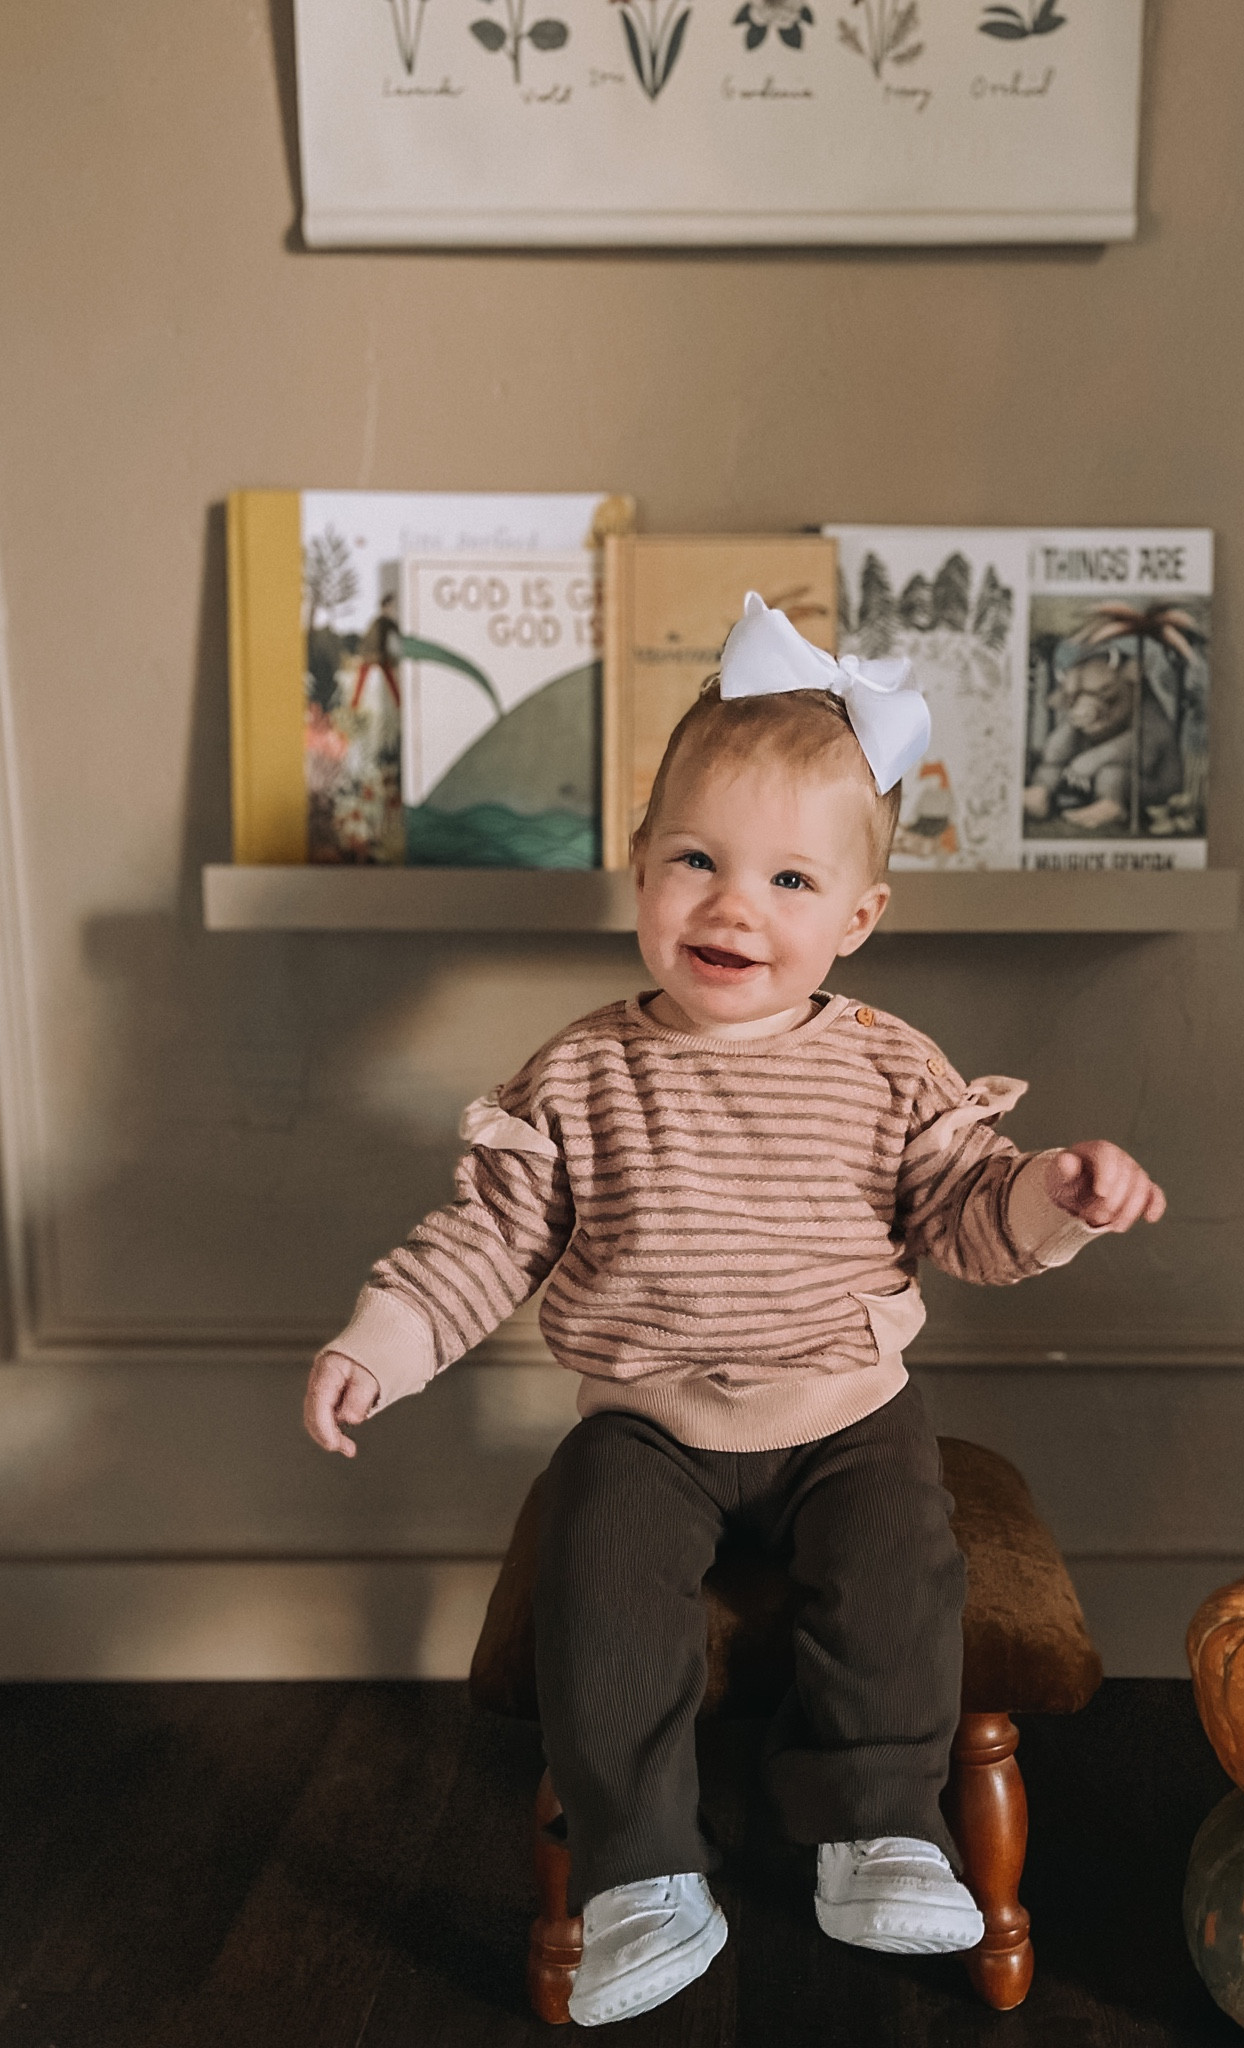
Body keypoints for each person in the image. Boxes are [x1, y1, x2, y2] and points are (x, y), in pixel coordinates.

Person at [304, 593, 1166, 2027]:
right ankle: (643, 1870)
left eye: (786, 881)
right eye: (696, 861)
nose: (731, 906)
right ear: (637, 872)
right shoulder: (582, 1077)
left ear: (858, 917)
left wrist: (1051, 1201)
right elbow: (487, 1238)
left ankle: (875, 1819)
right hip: (650, 1422)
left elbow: (968, 1212)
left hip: (848, 1409)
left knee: (902, 1559)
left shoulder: (889, 1068)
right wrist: (378, 1345)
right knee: (602, 1571)